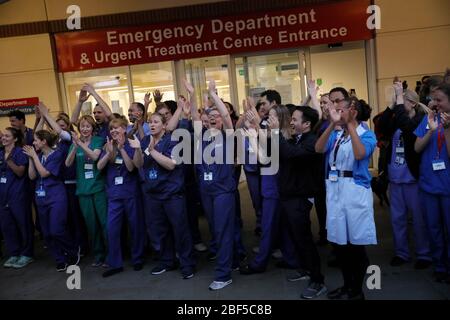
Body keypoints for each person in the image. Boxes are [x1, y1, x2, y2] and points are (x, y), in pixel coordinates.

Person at [315, 95, 377, 300]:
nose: (336, 112)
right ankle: (347, 285)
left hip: (355, 190)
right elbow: (319, 148)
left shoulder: (365, 134)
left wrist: (350, 125)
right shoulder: (336, 133)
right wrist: (332, 125)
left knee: (355, 245)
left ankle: (357, 290)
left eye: (340, 110)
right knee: (340, 244)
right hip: (335, 189)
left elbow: (360, 154)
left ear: (353, 113)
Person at [274, 105, 327, 299]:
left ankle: (317, 280)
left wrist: (275, 133)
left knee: (304, 239)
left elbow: (290, 154)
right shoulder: (297, 138)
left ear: (306, 124)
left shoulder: (311, 141)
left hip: (299, 198)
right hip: (289, 195)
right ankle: (305, 269)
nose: (291, 122)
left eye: (295, 119)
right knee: (297, 238)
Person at [190, 80, 238, 290]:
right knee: (216, 230)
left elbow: (227, 117)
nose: (212, 118)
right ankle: (230, 260)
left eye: (215, 115)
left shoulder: (228, 136)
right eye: (209, 116)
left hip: (223, 192)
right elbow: (194, 117)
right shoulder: (202, 137)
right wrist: (192, 95)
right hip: (207, 191)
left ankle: (223, 274)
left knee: (223, 230)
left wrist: (212, 94)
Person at [378, 82, 432, 269]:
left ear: (413, 103)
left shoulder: (418, 120)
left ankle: (423, 254)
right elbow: (381, 125)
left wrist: (399, 103)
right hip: (395, 178)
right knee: (397, 219)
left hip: (412, 178)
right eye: (399, 100)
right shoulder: (397, 118)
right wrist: (392, 105)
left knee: (418, 219)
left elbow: (407, 128)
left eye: (404, 101)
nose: (400, 104)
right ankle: (401, 252)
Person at [141, 112, 195, 279]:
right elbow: (139, 164)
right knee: (160, 231)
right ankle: (167, 261)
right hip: (153, 194)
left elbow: (171, 164)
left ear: (164, 125)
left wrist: (152, 151)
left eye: (156, 122)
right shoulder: (145, 141)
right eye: (150, 122)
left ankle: (187, 264)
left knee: (180, 230)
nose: (152, 125)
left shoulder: (173, 140)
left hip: (172, 194)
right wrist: (140, 150)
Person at [239, 105, 292, 275]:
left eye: (273, 116)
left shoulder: (281, 137)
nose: (268, 119)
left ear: (281, 119)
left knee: (268, 228)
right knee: (283, 227)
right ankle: (291, 259)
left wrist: (253, 138)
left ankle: (259, 263)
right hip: (275, 188)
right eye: (268, 116)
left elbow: (263, 158)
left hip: (274, 189)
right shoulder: (277, 135)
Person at [23, 130, 80, 271]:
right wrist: (31, 158)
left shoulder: (56, 155)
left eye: (36, 140)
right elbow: (31, 176)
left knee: (57, 230)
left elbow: (44, 173)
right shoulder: (38, 156)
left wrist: (34, 157)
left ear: (44, 142)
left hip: (56, 196)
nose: (33, 143)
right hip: (41, 197)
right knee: (47, 233)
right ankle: (60, 258)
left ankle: (73, 251)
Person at [36, 103, 88, 256]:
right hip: (59, 186)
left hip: (72, 184)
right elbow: (38, 134)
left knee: (76, 218)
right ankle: (69, 247)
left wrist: (47, 115)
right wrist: (42, 117)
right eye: (56, 125)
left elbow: (59, 131)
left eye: (63, 125)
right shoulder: (53, 143)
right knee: (65, 220)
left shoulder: (68, 139)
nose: (58, 128)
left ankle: (81, 247)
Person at [97, 118, 145, 277]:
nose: (113, 131)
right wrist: (109, 153)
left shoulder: (132, 144)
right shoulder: (108, 145)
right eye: (111, 129)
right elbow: (99, 166)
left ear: (124, 129)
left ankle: (137, 258)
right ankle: (115, 262)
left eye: (116, 128)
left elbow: (131, 168)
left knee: (135, 226)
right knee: (112, 228)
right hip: (114, 194)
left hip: (130, 192)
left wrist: (122, 149)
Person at [414, 82, 450, 283]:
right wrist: (430, 130)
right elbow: (417, 148)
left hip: (447, 186)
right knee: (434, 228)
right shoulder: (429, 118)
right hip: (429, 184)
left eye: (439, 100)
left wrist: (446, 130)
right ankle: (440, 265)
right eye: (433, 99)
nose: (434, 103)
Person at [65, 115, 108, 267]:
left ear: (92, 128)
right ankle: (99, 255)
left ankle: (111, 254)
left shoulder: (98, 141)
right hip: (83, 190)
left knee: (104, 223)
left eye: (88, 126)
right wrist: (75, 146)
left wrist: (80, 144)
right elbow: (68, 163)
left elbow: (95, 157)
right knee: (92, 225)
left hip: (97, 188)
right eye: (82, 126)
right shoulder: (75, 144)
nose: (84, 129)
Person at [0, 127, 34, 268]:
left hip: (18, 195)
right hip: (3, 196)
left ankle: (26, 254)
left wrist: (9, 162)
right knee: (7, 226)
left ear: (15, 138)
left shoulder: (19, 152)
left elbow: (20, 172)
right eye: (3, 136)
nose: (4, 138)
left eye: (7, 136)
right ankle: (14, 253)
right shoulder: (1, 153)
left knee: (23, 224)